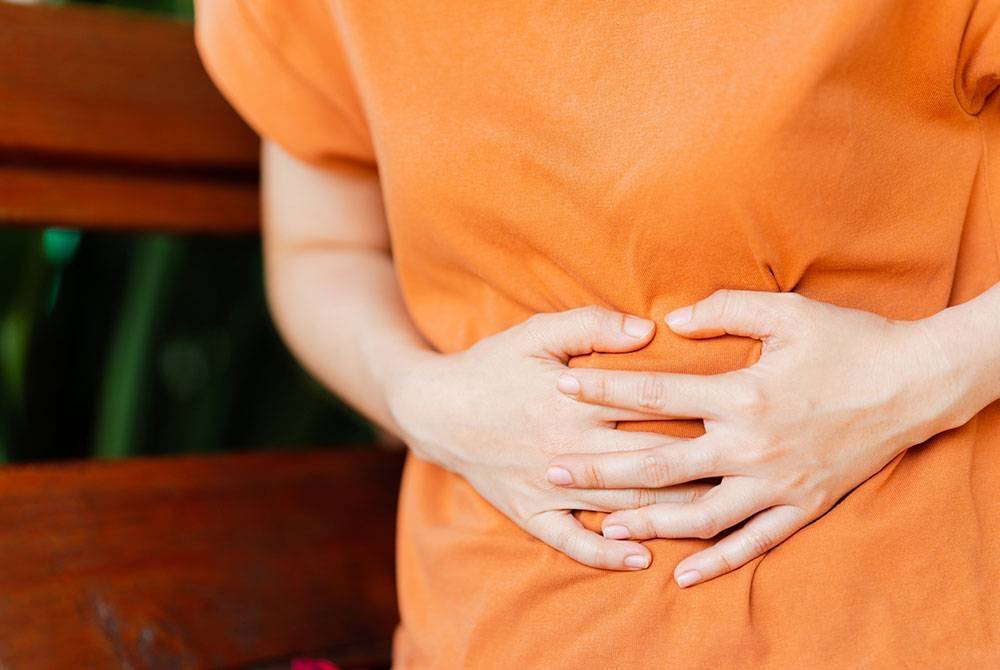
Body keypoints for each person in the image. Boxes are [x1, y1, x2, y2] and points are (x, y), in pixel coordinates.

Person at [195, 1, 1000, 666]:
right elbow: (324, 249)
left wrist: (918, 379)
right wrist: (423, 398)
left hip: (906, 609)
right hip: (496, 622)